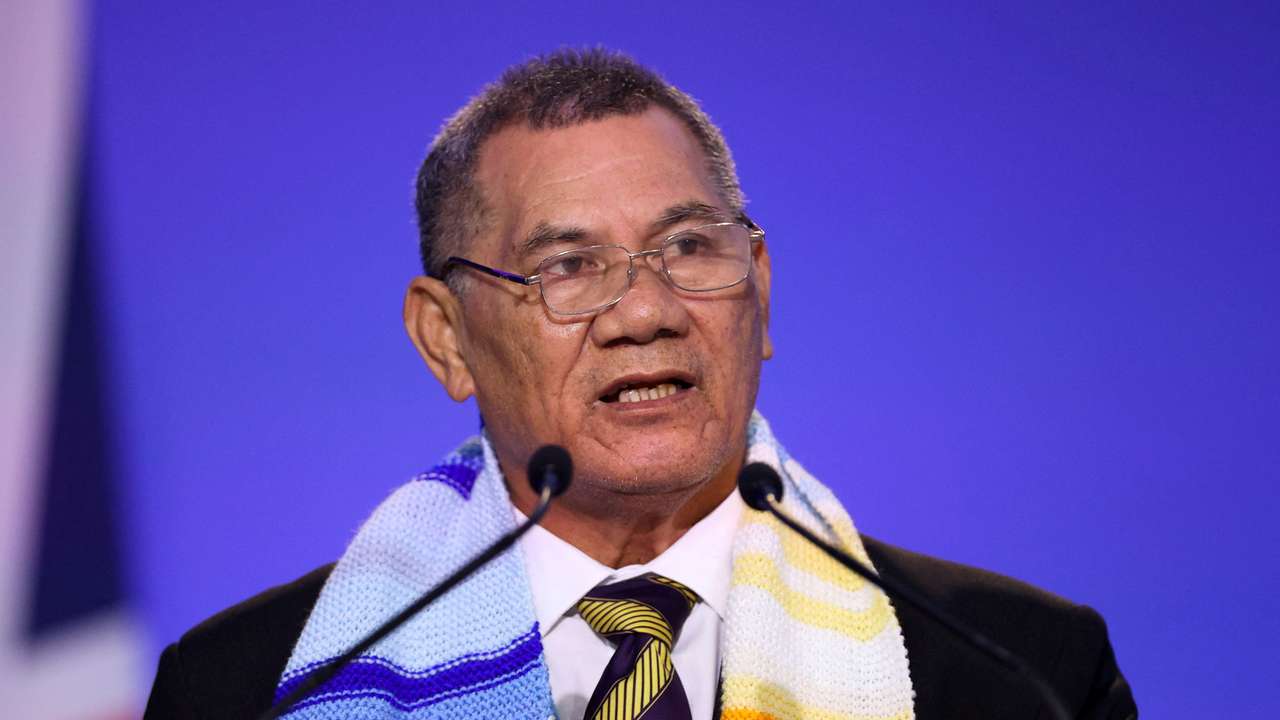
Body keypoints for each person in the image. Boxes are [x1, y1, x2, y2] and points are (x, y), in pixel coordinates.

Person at [144, 49, 1137, 720]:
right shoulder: (253, 690)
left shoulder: (1022, 675)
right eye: (569, 266)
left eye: (688, 247)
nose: (644, 310)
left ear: (760, 288)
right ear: (444, 338)